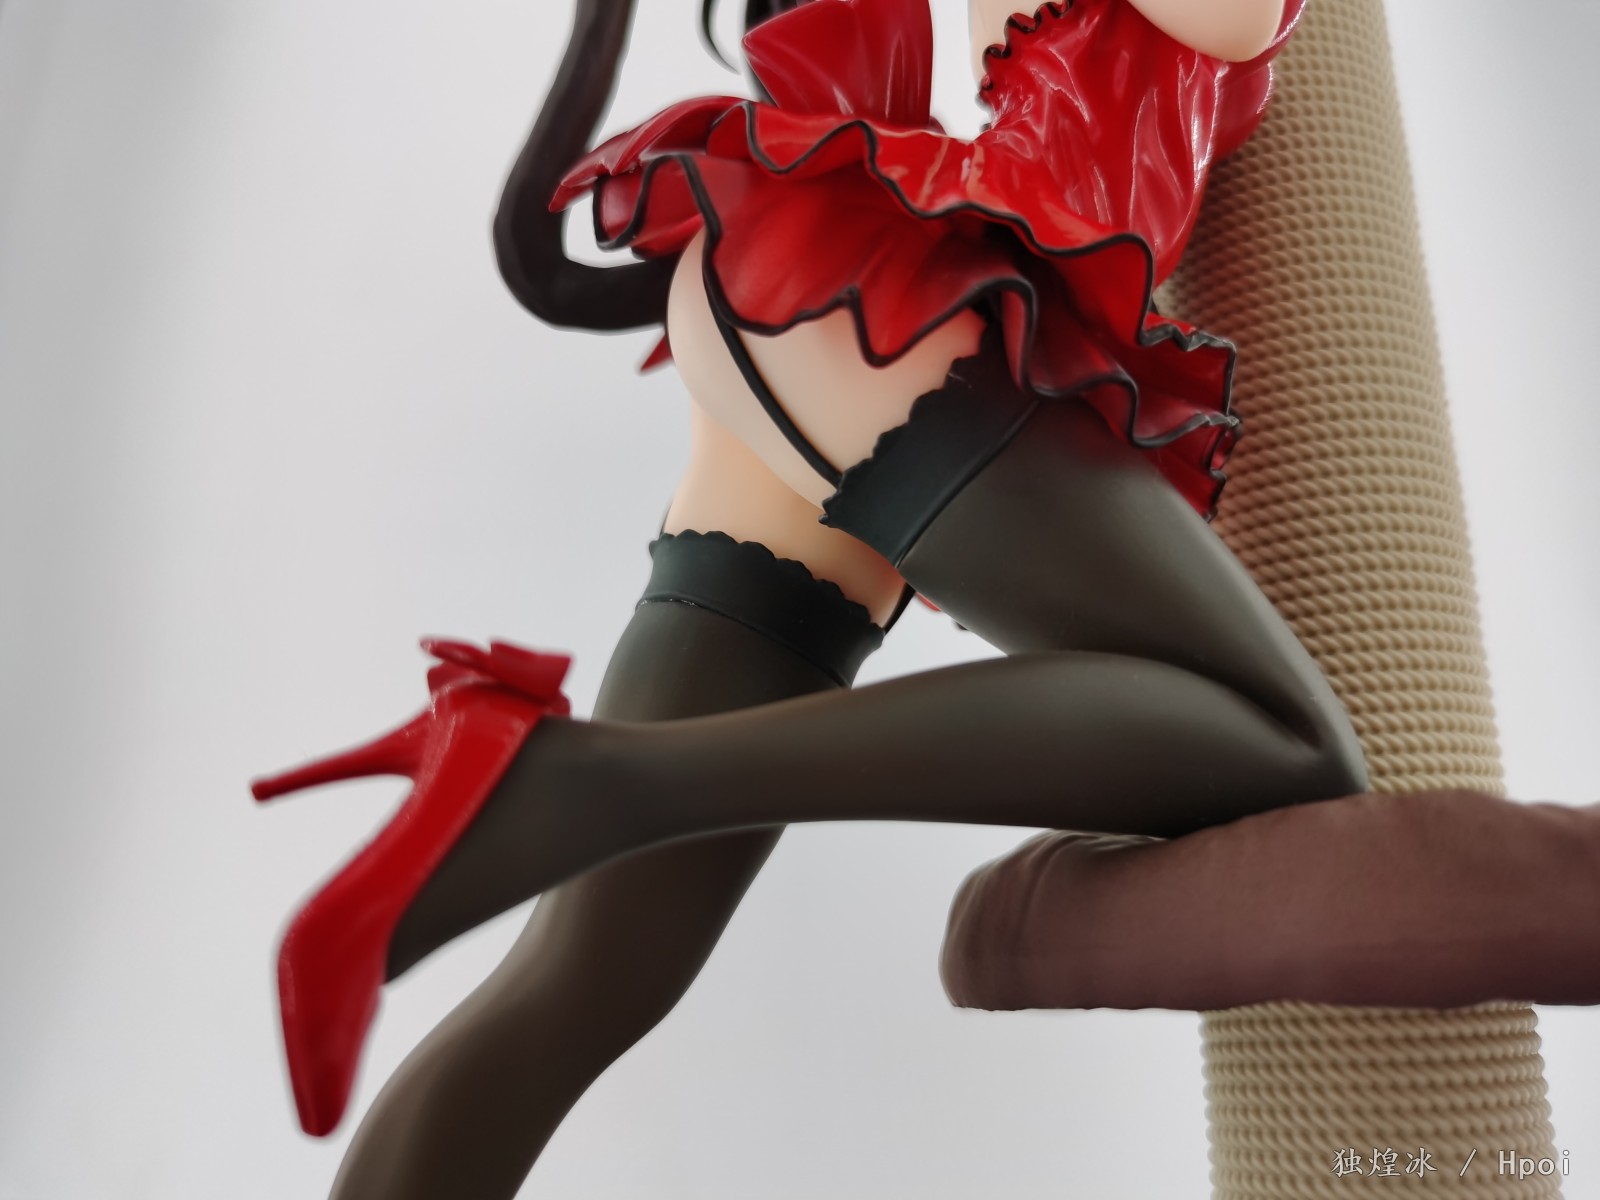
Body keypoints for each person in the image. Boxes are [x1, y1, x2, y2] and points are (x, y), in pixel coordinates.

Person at [252, 0, 1367, 1194]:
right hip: (896, 311)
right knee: (1294, 749)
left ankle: (566, 785)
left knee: (587, 978)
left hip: (822, 306)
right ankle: (586, 780)